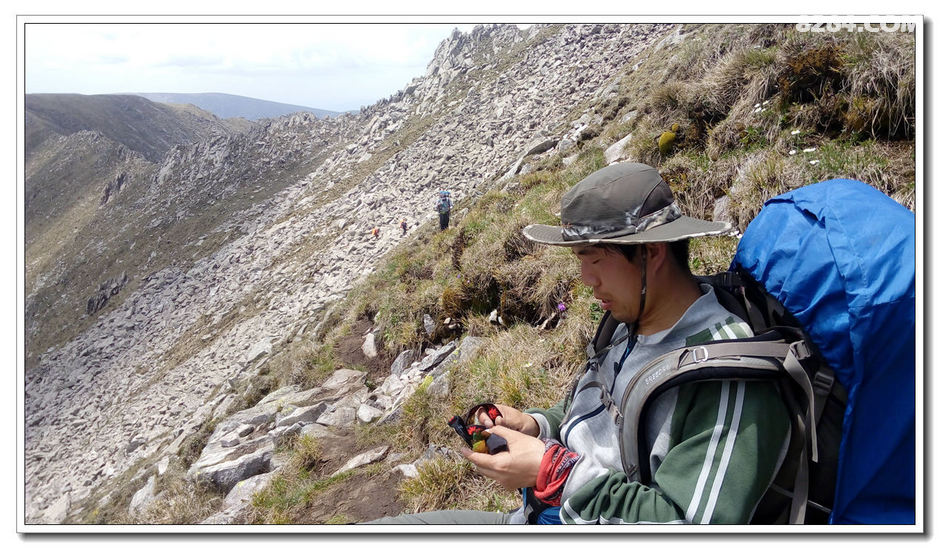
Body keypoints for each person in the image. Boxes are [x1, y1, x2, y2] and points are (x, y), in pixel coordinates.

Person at [368, 162, 790, 525]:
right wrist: (537, 426)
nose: (587, 281)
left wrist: (555, 472)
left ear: (652, 252)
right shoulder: (629, 320)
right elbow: (601, 420)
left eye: (594, 258)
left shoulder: (728, 377)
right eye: (580, 261)